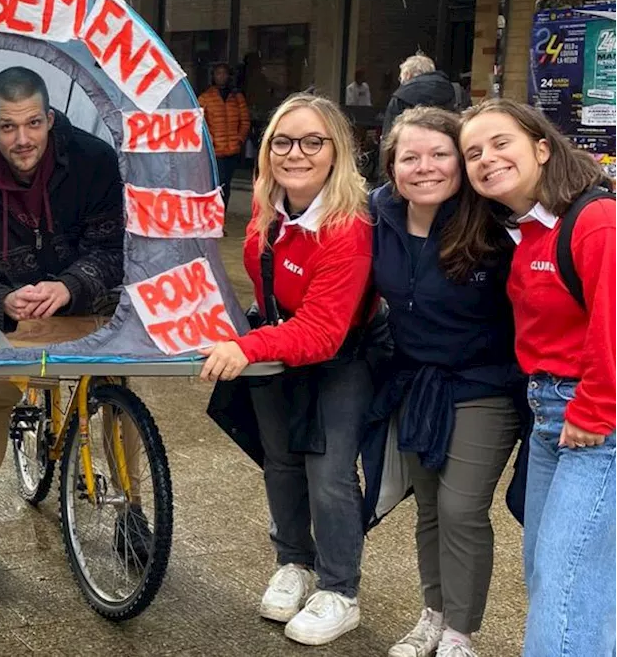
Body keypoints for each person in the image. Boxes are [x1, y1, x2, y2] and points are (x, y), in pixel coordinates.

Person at [200, 94, 373, 646]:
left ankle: (340, 590)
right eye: (283, 141)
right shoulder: (269, 209)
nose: (295, 153)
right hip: (278, 345)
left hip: (340, 354)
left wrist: (249, 347)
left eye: (312, 142)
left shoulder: (348, 228)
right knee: (279, 460)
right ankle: (294, 563)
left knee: (330, 475)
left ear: (336, 153)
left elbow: (324, 330)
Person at [0, 66, 130, 569]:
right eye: (7, 126)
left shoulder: (93, 160)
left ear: (49, 118)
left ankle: (131, 510)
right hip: (12, 304)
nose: (22, 139)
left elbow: (114, 248)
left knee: (116, 386)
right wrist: (1, 298)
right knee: (0, 390)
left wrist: (70, 285)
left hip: (80, 295)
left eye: (32, 124)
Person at [460, 98, 617, 656]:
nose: (486, 159)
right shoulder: (527, 231)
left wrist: (593, 412)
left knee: (565, 591)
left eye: (501, 143)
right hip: (551, 417)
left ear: (543, 147)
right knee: (560, 581)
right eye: (473, 152)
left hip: (595, 426)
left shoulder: (595, 220)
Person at [366, 107, 523, 657]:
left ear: (460, 162)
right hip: (415, 381)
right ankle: (433, 615)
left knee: (461, 508)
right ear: (392, 165)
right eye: (411, 156)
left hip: (485, 382)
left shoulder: (494, 223)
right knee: (429, 505)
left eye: (440, 154)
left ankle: (461, 634)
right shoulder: (376, 215)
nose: (425, 167)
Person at [198, 62, 250, 208]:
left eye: (224, 73)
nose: (221, 76)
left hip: (232, 149)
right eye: (218, 73)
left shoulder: (237, 97)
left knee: (226, 186)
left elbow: (245, 121)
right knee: (216, 185)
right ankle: (214, 216)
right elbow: (199, 123)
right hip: (215, 151)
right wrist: (210, 142)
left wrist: (240, 139)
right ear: (213, 76)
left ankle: (222, 217)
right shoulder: (205, 97)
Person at [382, 53, 456, 149]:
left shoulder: (400, 97)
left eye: (401, 78)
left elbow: (388, 139)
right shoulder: (455, 92)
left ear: (408, 75)